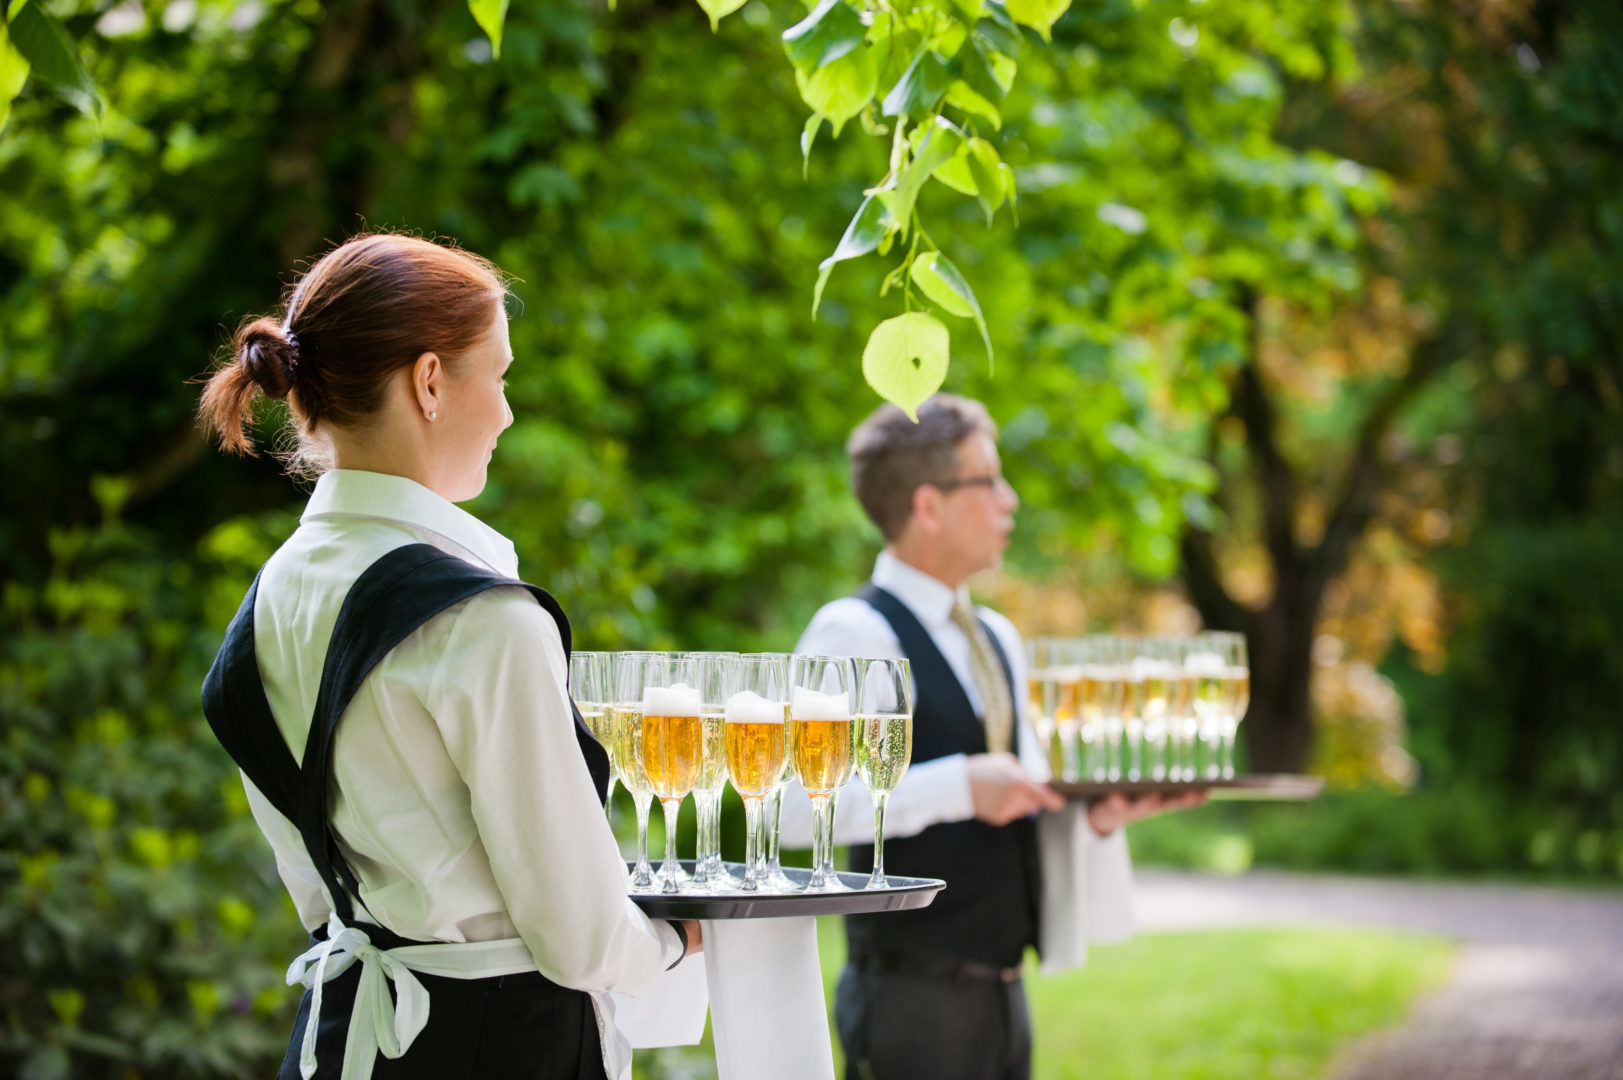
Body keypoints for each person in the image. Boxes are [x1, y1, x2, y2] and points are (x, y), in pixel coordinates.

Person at [195, 233, 699, 1080]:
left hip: (343, 1035)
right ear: (430, 382)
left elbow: (320, 891)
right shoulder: (481, 621)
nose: (505, 412)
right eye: (497, 376)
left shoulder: (274, 593)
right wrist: (674, 945)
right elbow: (580, 937)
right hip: (501, 1048)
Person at [788, 393, 1203, 1080]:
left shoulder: (998, 637)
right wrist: (956, 786)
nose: (1009, 501)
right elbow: (799, 810)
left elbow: (1017, 799)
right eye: (988, 480)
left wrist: (1095, 814)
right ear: (929, 506)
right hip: (909, 998)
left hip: (1005, 995)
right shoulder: (852, 633)